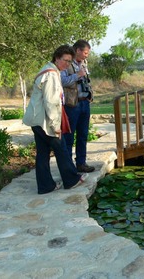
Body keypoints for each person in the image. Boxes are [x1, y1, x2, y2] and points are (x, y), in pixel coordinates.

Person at [23, 45, 88, 194]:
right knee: (61, 149)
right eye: (65, 60)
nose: (67, 64)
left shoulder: (49, 70)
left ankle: (46, 186)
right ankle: (71, 180)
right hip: (45, 122)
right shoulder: (51, 74)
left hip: (37, 120)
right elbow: (51, 102)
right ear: (57, 58)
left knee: (43, 153)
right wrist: (55, 126)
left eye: (69, 61)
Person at [61, 39, 95, 173]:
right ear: (78, 51)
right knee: (69, 136)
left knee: (83, 135)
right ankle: (68, 167)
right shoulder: (67, 63)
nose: (87, 55)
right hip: (72, 105)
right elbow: (62, 81)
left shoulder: (84, 63)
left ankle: (81, 163)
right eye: (85, 53)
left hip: (84, 103)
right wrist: (77, 76)